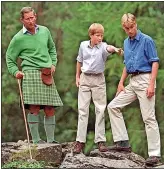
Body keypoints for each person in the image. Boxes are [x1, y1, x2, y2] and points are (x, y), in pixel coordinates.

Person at [107, 13, 161, 166]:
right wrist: (121, 82)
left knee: (148, 117)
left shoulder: (147, 40)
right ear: (124, 28)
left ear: (136, 24)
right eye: (127, 28)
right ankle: (122, 143)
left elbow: (155, 63)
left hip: (146, 79)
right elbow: (127, 64)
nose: (130, 30)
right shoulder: (126, 42)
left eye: (132, 27)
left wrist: (151, 84)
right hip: (133, 80)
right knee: (113, 106)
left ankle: (155, 155)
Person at [6, 7, 63, 144]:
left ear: (35, 16)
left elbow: (52, 48)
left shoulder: (45, 31)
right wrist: (16, 72)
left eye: (33, 17)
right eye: (28, 19)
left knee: (50, 108)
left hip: (46, 72)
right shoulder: (18, 38)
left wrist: (53, 63)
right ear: (22, 20)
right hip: (30, 73)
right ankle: (36, 141)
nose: (31, 21)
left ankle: (51, 141)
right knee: (34, 107)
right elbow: (9, 58)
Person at [73, 23, 123, 154]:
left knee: (100, 110)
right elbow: (79, 60)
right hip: (85, 78)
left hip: (98, 79)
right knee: (82, 110)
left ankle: (100, 141)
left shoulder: (103, 47)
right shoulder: (83, 45)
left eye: (101, 35)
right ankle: (80, 142)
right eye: (97, 35)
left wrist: (116, 49)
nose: (100, 38)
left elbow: (109, 48)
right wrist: (77, 76)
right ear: (91, 35)